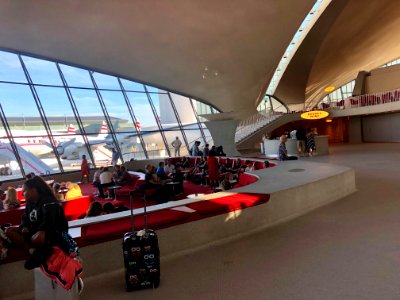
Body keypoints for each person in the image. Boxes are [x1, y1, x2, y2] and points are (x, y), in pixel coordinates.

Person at [5, 176, 69, 268]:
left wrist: (36, 232)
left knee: (39, 237)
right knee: (9, 231)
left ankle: (44, 252)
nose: (23, 194)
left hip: (53, 233)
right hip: (35, 231)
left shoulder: (49, 202)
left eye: (24, 191)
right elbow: (25, 217)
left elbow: (50, 223)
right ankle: (33, 251)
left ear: (33, 190)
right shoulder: (30, 203)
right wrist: (24, 227)